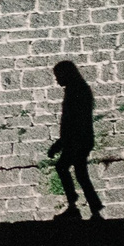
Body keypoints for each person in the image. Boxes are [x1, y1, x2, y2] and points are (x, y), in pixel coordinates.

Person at [47, 60, 103, 221]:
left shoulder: (75, 90)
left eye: (58, 76)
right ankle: (92, 209)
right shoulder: (79, 89)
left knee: (64, 167)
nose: (57, 79)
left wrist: (60, 143)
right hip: (81, 138)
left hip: (76, 139)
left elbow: (73, 120)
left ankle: (75, 206)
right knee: (80, 173)